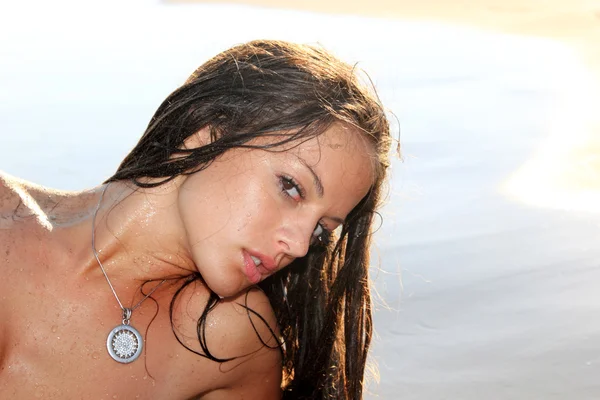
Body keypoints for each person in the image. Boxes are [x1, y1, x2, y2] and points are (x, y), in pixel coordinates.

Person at [0, 40, 392, 399]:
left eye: (322, 230)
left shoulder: (229, 343)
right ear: (207, 131)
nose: (301, 245)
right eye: (291, 187)